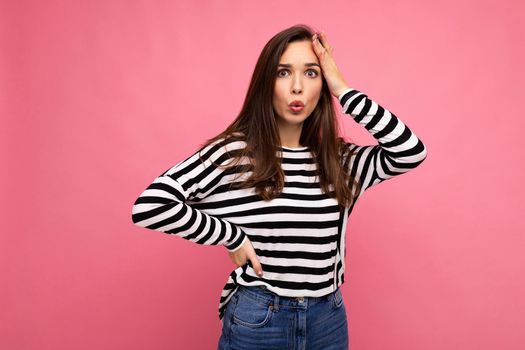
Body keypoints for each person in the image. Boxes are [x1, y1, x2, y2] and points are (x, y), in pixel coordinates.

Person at [131, 24, 427, 350]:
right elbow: (151, 205)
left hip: (328, 317)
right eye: (284, 72)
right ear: (266, 83)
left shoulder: (340, 161)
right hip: (260, 316)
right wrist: (231, 236)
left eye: (311, 73)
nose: (297, 87)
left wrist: (343, 89)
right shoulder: (234, 154)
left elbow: (410, 151)